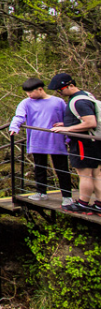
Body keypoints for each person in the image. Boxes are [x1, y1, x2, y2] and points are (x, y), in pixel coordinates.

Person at [8, 77, 72, 205]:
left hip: (55, 139)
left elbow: (68, 118)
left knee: (61, 168)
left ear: (40, 89)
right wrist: (14, 127)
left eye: (31, 92)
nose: (29, 95)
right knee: (40, 167)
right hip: (37, 139)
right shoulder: (26, 103)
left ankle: (67, 195)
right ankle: (41, 192)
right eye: (27, 93)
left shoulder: (58, 102)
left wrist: (67, 134)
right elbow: (19, 116)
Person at [49, 73, 101, 215]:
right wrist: (67, 123)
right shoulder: (86, 95)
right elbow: (83, 119)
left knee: (85, 174)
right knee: (97, 174)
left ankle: (83, 204)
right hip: (93, 141)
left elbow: (90, 122)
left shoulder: (79, 101)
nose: (60, 93)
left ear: (71, 85)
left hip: (83, 143)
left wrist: (67, 128)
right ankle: (99, 204)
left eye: (61, 89)